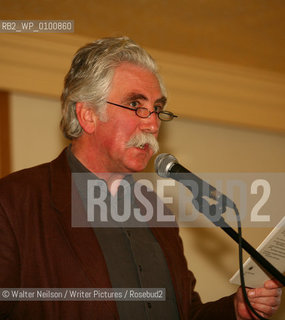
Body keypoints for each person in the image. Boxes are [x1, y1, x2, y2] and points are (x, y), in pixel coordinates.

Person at [0, 36, 282, 320]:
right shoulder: (15, 202)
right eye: (135, 104)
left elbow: (185, 313)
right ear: (88, 115)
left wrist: (235, 310)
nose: (153, 123)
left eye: (157, 108)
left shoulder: (157, 213)